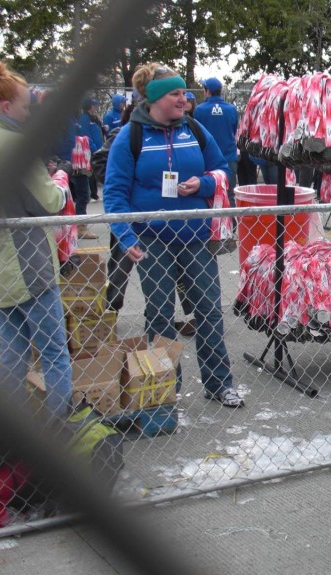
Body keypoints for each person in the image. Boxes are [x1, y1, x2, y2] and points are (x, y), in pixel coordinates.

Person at [104, 62, 245, 408]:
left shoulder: (194, 129)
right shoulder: (131, 136)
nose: (185, 99)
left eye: (185, 93)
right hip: (152, 241)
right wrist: (126, 236)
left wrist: (205, 182)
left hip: (196, 239)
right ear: (153, 99)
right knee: (160, 315)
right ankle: (167, 387)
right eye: (176, 94)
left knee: (209, 310)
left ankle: (219, 383)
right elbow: (115, 193)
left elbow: (221, 169)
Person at [0, 60, 72, 419]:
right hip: (28, 266)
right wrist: (60, 181)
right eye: (25, 107)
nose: (29, 114)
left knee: (13, 352)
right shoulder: (13, 146)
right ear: (6, 107)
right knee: (54, 352)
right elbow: (49, 202)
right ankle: (61, 430)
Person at [194, 77, 238, 206]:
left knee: (209, 194)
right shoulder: (231, 109)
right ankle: (231, 225)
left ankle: (213, 225)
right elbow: (234, 130)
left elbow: (197, 134)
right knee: (229, 193)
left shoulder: (200, 110)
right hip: (228, 157)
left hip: (207, 160)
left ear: (207, 91)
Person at [78, 98, 104, 204]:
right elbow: (86, 135)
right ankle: (93, 194)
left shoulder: (93, 118)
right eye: (94, 105)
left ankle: (94, 194)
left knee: (93, 171)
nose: (96, 107)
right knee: (91, 172)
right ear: (89, 106)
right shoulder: (84, 118)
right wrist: (93, 148)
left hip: (97, 147)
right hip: (91, 149)